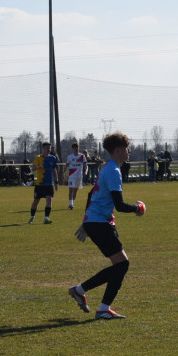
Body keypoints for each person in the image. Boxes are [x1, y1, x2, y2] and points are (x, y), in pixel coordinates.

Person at [67, 131, 144, 320]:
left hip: (98, 222)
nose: (129, 151)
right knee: (122, 264)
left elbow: (89, 195)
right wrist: (138, 208)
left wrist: (86, 221)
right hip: (101, 223)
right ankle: (97, 304)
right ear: (118, 150)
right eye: (127, 148)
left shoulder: (108, 168)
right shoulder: (113, 171)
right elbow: (119, 205)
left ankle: (85, 294)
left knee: (121, 265)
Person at [29, 141, 58, 224]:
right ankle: (32, 217)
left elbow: (54, 170)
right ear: (43, 148)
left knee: (49, 199)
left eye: (49, 148)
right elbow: (33, 168)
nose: (48, 149)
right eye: (46, 148)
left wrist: (56, 182)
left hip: (49, 183)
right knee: (36, 201)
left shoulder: (53, 158)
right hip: (40, 184)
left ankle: (46, 218)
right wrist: (39, 167)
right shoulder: (38, 157)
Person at [65, 142, 88, 210]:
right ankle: (70, 204)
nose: (76, 149)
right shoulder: (70, 156)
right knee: (71, 189)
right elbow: (67, 165)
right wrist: (63, 173)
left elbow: (85, 165)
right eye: (75, 148)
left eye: (77, 147)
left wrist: (86, 171)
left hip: (79, 175)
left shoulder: (82, 156)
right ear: (72, 149)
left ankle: (72, 202)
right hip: (72, 175)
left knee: (75, 190)